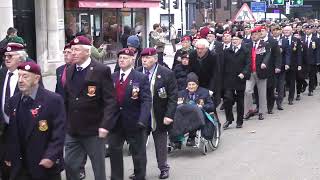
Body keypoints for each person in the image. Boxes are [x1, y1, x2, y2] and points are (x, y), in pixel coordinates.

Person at [64, 36, 118, 180]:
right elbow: (68, 99)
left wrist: (106, 125)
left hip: (94, 130)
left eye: (77, 50)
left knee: (98, 169)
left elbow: (110, 101)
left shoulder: (101, 70)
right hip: (73, 129)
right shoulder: (69, 70)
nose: (73, 53)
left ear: (88, 52)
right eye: (72, 50)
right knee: (69, 165)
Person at [4, 61, 66, 180]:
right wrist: (9, 154)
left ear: (37, 78)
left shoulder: (53, 100)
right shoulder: (14, 101)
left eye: (25, 76)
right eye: (19, 76)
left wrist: (50, 156)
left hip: (43, 165)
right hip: (20, 167)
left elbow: (59, 132)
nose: (20, 80)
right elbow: (12, 132)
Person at [109, 48, 151, 180]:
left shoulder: (140, 77)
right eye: (120, 58)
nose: (122, 60)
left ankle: (139, 175)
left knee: (138, 152)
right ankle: (116, 176)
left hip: (134, 121)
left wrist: (142, 119)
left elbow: (146, 101)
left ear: (132, 60)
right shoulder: (113, 77)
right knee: (114, 150)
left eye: (125, 58)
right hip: (116, 121)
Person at [136, 48, 177, 179]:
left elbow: (172, 97)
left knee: (160, 144)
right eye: (143, 58)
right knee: (139, 145)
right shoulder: (136, 73)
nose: (144, 60)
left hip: (159, 114)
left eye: (147, 58)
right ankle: (139, 170)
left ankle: (163, 168)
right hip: (141, 115)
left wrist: (169, 115)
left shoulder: (166, 73)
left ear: (155, 59)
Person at [0, 43, 27, 180]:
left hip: (22, 129)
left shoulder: (29, 74)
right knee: (4, 167)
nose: (7, 58)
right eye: (5, 55)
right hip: (4, 129)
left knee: (20, 167)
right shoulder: (3, 73)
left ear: (20, 58)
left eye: (10, 56)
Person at [176, 72, 214, 146]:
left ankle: (191, 137)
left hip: (198, 116)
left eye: (193, 84)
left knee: (193, 114)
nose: (191, 87)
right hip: (183, 116)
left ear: (197, 85)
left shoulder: (204, 92)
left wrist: (202, 106)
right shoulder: (181, 93)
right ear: (187, 85)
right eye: (189, 85)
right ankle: (177, 139)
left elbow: (211, 106)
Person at [222, 33, 250, 129]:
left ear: (241, 40)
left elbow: (248, 64)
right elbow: (222, 65)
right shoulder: (226, 51)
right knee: (227, 99)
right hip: (228, 79)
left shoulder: (245, 51)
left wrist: (244, 73)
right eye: (233, 39)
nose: (234, 40)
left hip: (240, 78)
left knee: (240, 100)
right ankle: (229, 119)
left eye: (236, 39)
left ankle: (239, 121)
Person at [244, 26, 271, 120]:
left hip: (261, 72)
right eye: (252, 35)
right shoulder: (248, 45)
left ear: (260, 34)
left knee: (262, 93)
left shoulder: (265, 45)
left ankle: (261, 112)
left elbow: (267, 55)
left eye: (256, 34)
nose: (254, 36)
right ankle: (250, 110)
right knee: (247, 91)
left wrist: (264, 63)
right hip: (250, 72)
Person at [189, 39, 221, 107]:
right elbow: (190, 70)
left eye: (202, 49)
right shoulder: (192, 54)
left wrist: (211, 89)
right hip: (197, 83)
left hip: (209, 82)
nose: (199, 51)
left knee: (209, 106)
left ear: (206, 48)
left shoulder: (213, 56)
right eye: (197, 48)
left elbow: (215, 74)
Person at [259, 26, 281, 114]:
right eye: (259, 31)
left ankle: (270, 106)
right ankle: (259, 106)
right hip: (259, 69)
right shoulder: (257, 42)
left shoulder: (273, 41)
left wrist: (277, 66)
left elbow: (277, 55)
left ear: (267, 31)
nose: (261, 33)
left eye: (262, 31)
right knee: (259, 89)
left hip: (270, 68)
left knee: (269, 88)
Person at [282, 26, 303, 103]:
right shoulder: (281, 40)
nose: (286, 31)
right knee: (283, 81)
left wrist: (299, 64)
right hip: (283, 64)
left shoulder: (296, 40)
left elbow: (299, 53)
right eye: (285, 30)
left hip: (293, 64)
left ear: (291, 31)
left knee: (292, 81)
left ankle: (290, 98)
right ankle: (281, 96)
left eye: (288, 30)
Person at [272, 26, 290, 110]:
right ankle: (270, 103)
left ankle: (279, 102)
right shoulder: (269, 40)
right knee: (271, 85)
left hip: (282, 66)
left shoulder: (285, 40)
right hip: (271, 67)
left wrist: (287, 63)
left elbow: (287, 53)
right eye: (274, 30)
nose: (275, 32)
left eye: (277, 30)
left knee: (280, 85)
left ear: (280, 31)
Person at [302, 24, 319, 96]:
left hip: (312, 60)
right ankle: (305, 83)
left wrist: (318, 60)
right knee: (301, 75)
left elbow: (318, 50)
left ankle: (310, 90)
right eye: (306, 29)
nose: (307, 30)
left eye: (309, 29)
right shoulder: (302, 38)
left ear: (312, 30)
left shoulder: (316, 39)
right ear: (304, 30)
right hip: (303, 60)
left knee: (312, 76)